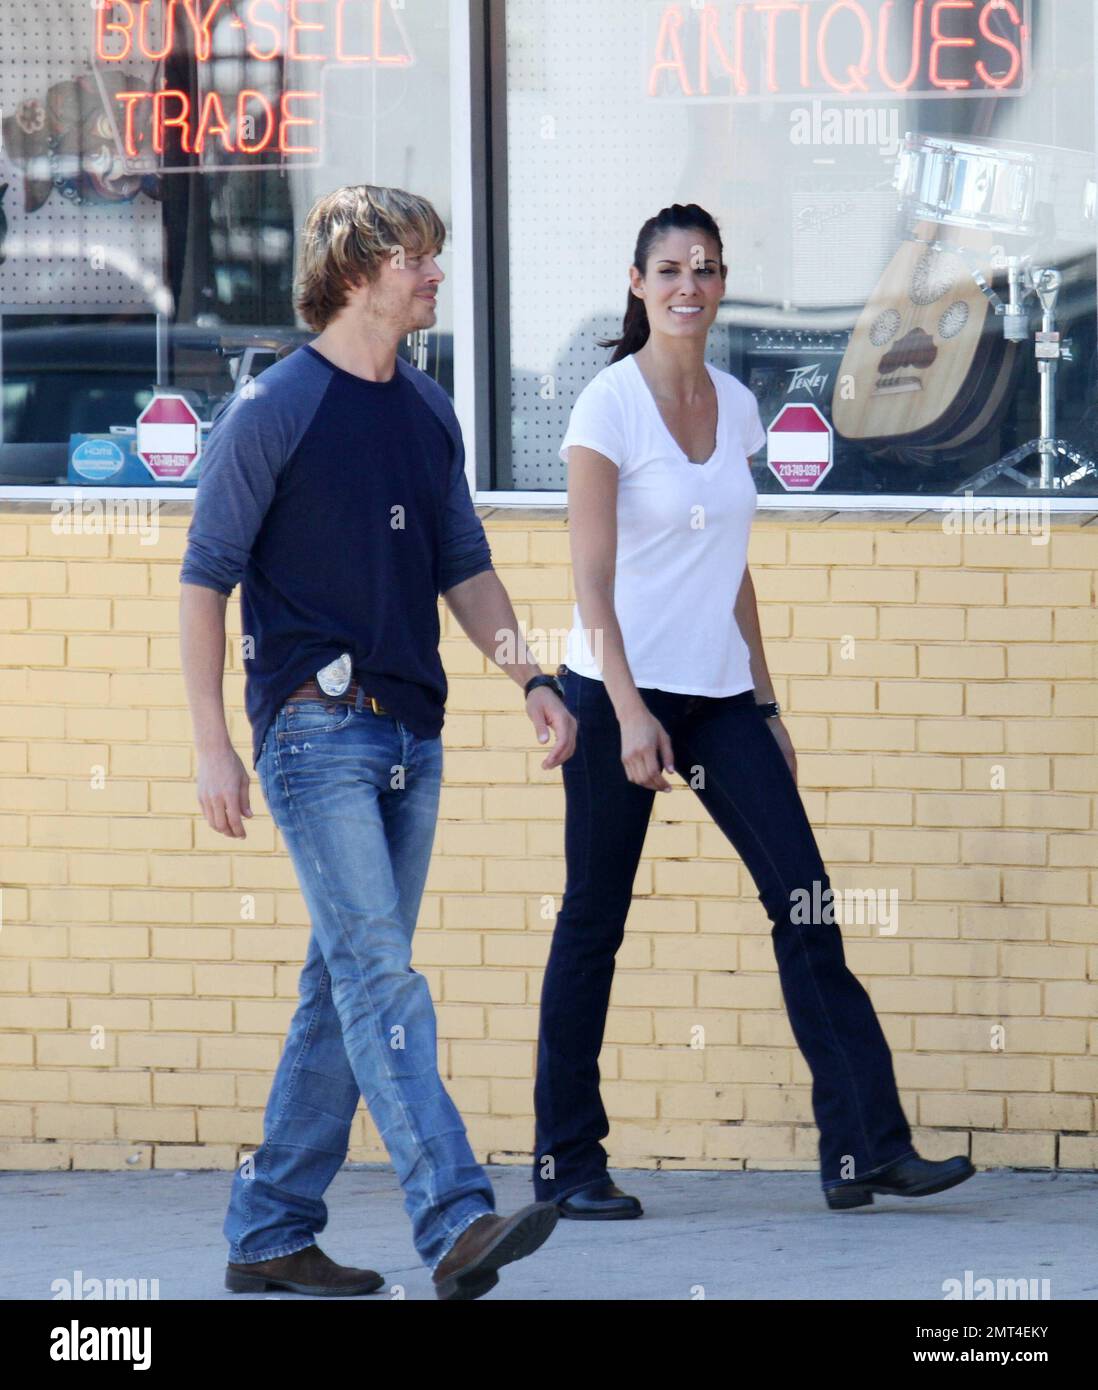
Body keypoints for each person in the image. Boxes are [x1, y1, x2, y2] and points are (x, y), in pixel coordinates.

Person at [532, 202, 975, 1219]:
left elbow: (732, 569)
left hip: (720, 695)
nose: (690, 283)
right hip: (615, 691)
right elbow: (590, 583)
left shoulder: (735, 405)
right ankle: (567, 1162)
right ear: (637, 283)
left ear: (720, 284)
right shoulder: (607, 406)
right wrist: (632, 711)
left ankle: (867, 1148)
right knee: (593, 919)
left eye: (707, 268)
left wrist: (765, 696)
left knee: (804, 897)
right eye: (672, 268)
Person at [179, 184, 575, 1299]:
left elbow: (463, 561)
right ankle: (454, 1216)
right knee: (382, 981)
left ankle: (268, 1232)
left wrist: (532, 676)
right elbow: (204, 580)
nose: (437, 274)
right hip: (313, 731)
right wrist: (215, 745)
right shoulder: (275, 409)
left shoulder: (429, 409)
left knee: (342, 985)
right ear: (358, 269)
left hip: (415, 731)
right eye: (419, 256)